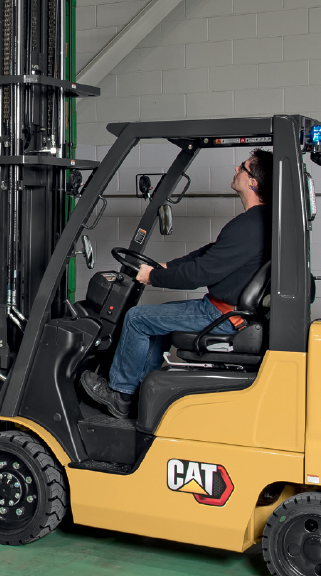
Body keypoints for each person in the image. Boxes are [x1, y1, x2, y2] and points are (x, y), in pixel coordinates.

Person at [79, 149, 274, 418]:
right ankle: (142, 395)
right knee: (156, 323)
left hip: (221, 314)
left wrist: (153, 276)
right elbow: (208, 253)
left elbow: (200, 273)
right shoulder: (258, 222)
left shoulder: (248, 225)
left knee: (137, 318)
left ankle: (121, 394)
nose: (236, 169)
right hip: (229, 310)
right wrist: (167, 267)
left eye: (243, 167)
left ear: (252, 182)